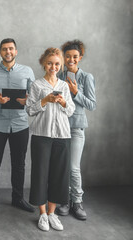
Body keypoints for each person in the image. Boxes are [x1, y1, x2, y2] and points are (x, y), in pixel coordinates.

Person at [26, 47, 75, 231]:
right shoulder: (37, 85)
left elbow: (70, 110)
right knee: (40, 174)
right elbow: (30, 110)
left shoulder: (64, 86)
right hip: (41, 136)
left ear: (60, 65)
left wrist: (63, 102)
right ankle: (42, 214)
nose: (53, 67)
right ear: (43, 63)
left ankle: (52, 213)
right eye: (49, 63)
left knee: (58, 175)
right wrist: (45, 100)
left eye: (56, 64)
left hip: (62, 136)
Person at [0, 38, 35, 213]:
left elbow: (34, 97)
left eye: (11, 49)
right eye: (4, 49)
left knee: (19, 164)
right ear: (0, 52)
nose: (8, 52)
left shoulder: (27, 71)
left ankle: (18, 198)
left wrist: (28, 99)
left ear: (16, 51)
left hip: (20, 124)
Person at [56, 40, 96, 220]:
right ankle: (64, 200)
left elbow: (92, 105)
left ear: (80, 58)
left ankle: (77, 202)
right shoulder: (59, 75)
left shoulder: (87, 77)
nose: (71, 59)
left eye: (75, 56)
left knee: (73, 168)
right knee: (62, 167)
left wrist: (76, 93)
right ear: (63, 57)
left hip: (76, 129)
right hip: (59, 127)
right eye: (68, 56)